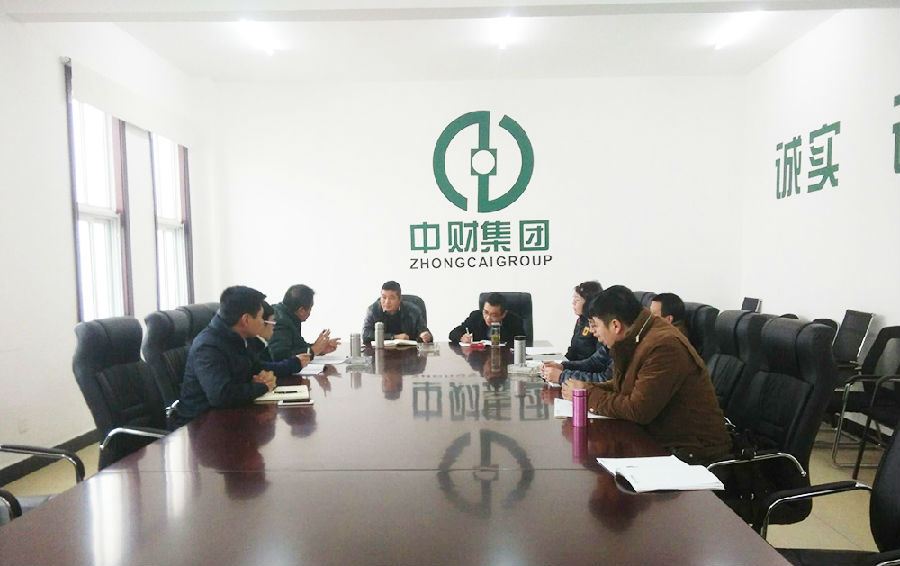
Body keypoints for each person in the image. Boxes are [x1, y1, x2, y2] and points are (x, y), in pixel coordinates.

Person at [562, 285, 730, 464]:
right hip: (659, 440)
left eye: (595, 325)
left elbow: (638, 410)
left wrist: (587, 394)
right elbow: (623, 386)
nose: (592, 332)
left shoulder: (663, 346)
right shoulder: (636, 337)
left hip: (692, 451)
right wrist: (585, 388)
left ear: (615, 325)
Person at [173, 286, 277, 427]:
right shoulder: (208, 346)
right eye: (260, 317)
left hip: (228, 416)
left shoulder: (241, 338)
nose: (262, 322)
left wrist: (266, 376)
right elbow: (221, 396)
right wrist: (262, 386)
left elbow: (256, 369)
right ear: (246, 320)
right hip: (200, 425)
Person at [540, 294, 613, 385]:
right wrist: (562, 367)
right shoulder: (611, 345)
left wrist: (562, 376)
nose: (591, 330)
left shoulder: (624, 349)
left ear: (615, 326)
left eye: (595, 325)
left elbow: (606, 381)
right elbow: (593, 363)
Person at [268, 284, 340, 361]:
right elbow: (279, 357)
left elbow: (297, 347)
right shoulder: (281, 322)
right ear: (301, 310)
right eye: (310, 308)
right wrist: (313, 350)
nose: (310, 313)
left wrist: (319, 349)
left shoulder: (290, 316)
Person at [247, 301, 311, 376]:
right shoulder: (248, 346)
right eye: (273, 322)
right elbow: (260, 369)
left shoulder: (260, 345)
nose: (275, 326)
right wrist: (295, 363)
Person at [362, 281, 432, 342]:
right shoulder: (373, 310)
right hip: (381, 351)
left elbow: (424, 332)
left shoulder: (413, 311)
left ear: (400, 299)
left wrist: (427, 336)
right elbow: (366, 335)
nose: (387, 302)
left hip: (409, 351)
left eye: (391, 298)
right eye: (384, 297)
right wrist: (394, 337)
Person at [448, 292, 525, 344]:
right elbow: (453, 333)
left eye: (493, 315)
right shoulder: (476, 317)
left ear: (503, 314)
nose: (488, 318)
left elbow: (523, 343)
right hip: (480, 358)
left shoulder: (514, 321)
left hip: (504, 359)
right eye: (486, 312)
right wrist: (462, 337)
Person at [566, 281, 604, 361]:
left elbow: (597, 361)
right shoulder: (580, 321)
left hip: (588, 367)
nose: (573, 303)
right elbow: (573, 350)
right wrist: (560, 364)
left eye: (577, 300)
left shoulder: (599, 324)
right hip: (577, 366)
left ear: (588, 302)